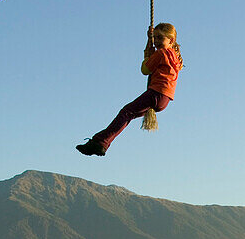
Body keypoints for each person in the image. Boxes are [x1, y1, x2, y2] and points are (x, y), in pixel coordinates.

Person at [76, 23, 183, 156]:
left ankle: (100, 143)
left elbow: (145, 70)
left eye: (160, 38)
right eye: (155, 38)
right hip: (165, 99)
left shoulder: (161, 53)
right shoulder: (175, 56)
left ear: (170, 40)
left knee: (126, 112)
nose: (157, 42)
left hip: (156, 93)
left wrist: (148, 49)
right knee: (129, 115)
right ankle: (101, 142)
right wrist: (149, 41)